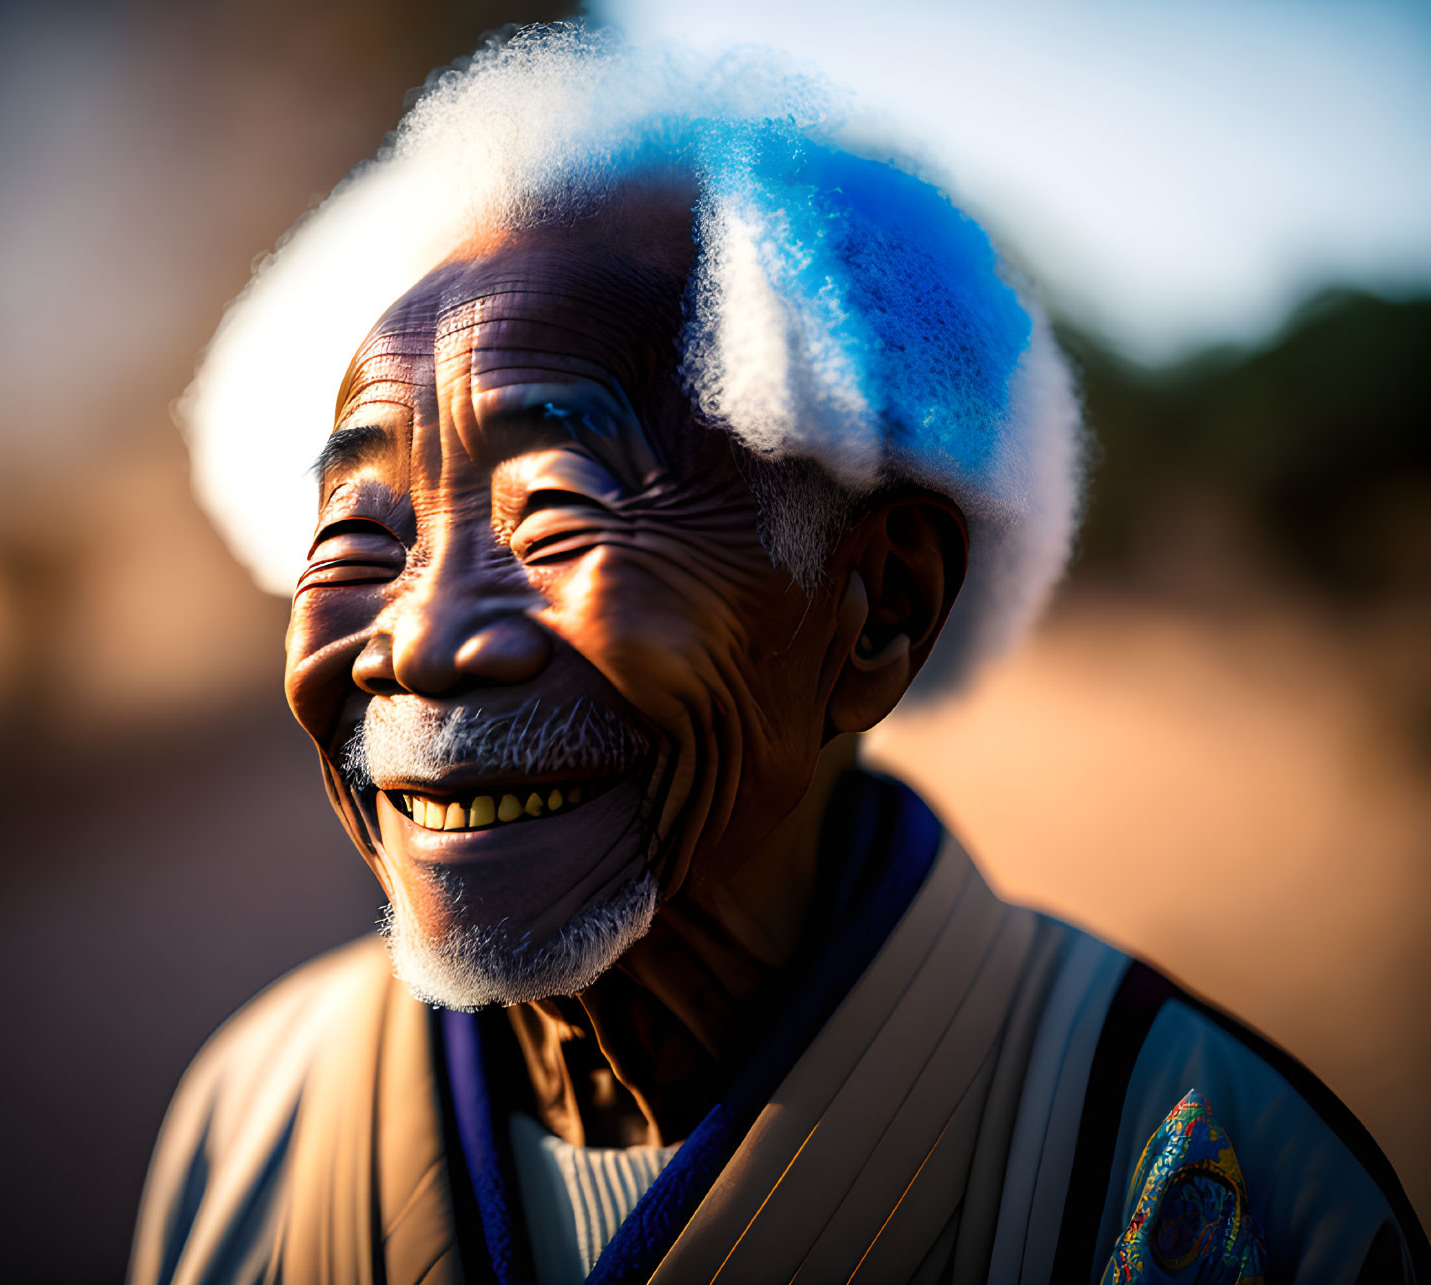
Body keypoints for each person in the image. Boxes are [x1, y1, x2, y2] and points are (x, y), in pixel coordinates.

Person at [130, 26, 1426, 1285]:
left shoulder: (1209, 1174)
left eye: (557, 514)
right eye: (363, 529)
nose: (418, 636)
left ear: (878, 607)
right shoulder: (256, 1111)